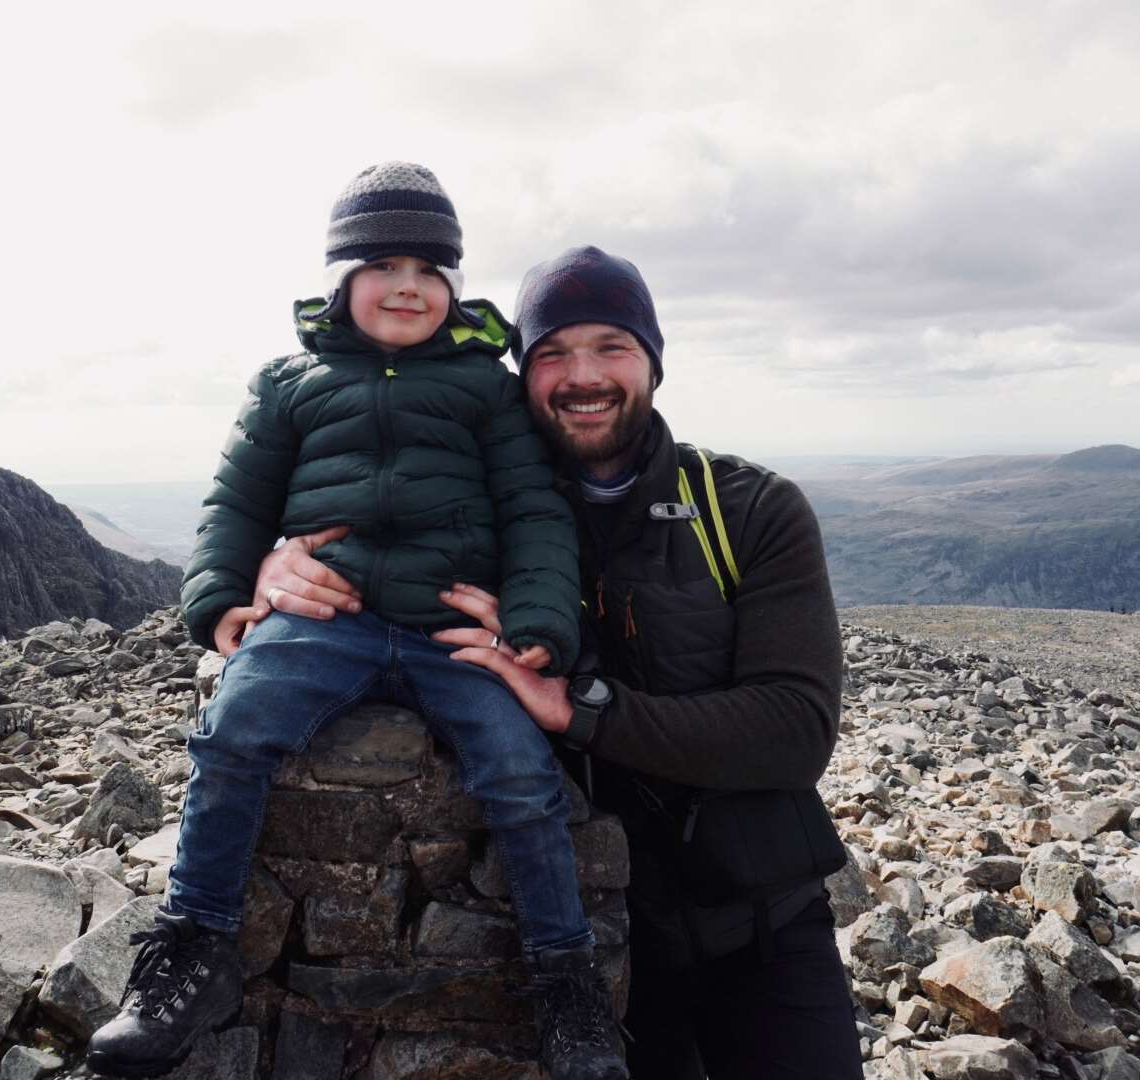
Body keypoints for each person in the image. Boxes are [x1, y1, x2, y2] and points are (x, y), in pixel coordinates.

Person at [247, 245, 863, 1078]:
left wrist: (583, 707)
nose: (583, 376)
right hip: (605, 932)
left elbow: (794, 731)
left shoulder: (748, 509)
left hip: (764, 927)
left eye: (612, 346)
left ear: (653, 361)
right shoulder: (477, 520)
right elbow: (335, 513)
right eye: (551, 354)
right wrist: (276, 561)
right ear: (521, 373)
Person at [87, 166, 626, 1080]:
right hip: (321, 621)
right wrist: (220, 594)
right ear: (341, 279)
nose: (408, 284)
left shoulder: (486, 388)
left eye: (430, 266)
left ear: (455, 285)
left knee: (521, 777)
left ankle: (564, 977)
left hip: (451, 630)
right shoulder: (288, 382)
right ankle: (193, 945)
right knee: (233, 735)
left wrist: (537, 618)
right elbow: (237, 501)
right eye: (382, 263)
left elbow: (533, 508)